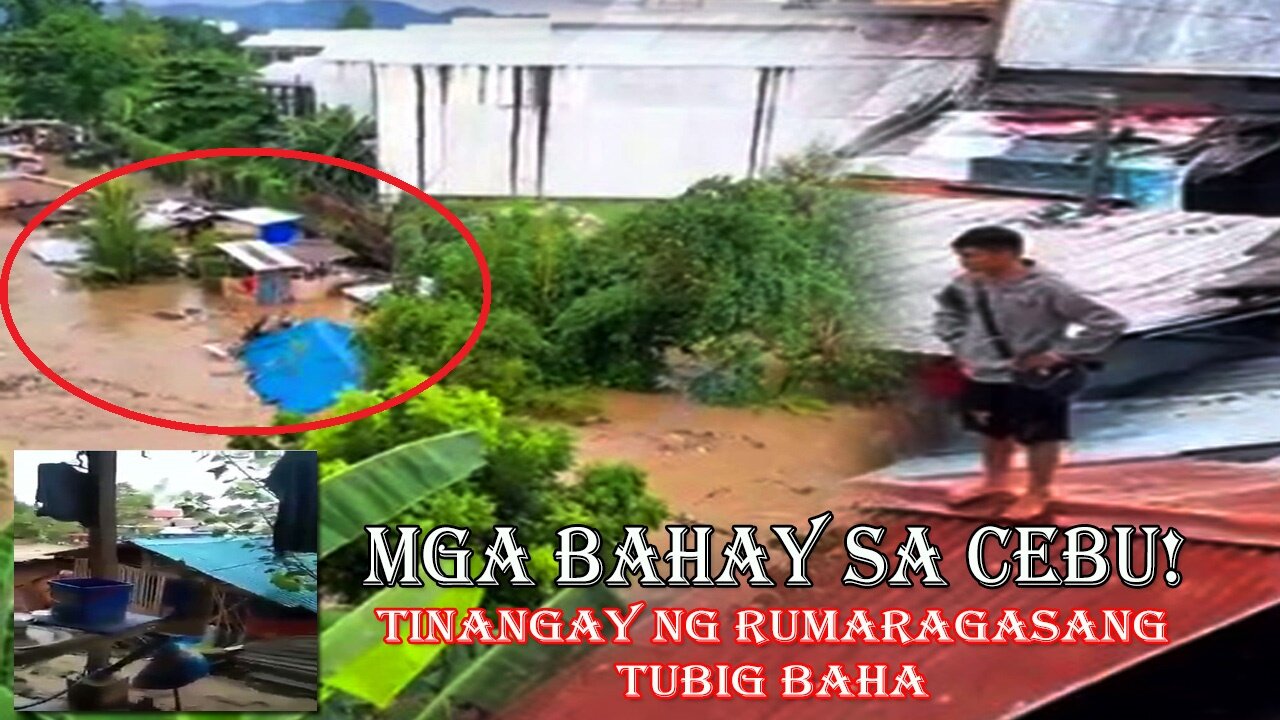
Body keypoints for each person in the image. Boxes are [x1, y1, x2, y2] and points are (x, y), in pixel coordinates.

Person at [932, 226, 1128, 520]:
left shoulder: (1047, 288)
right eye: (962, 256)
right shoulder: (965, 285)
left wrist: (1061, 353)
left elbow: (1107, 321)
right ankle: (994, 480)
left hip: (1030, 376)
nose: (964, 263)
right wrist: (962, 346)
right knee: (991, 430)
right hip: (984, 373)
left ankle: (1038, 490)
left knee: (1040, 435)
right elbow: (948, 314)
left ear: (1004, 254)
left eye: (972, 256)